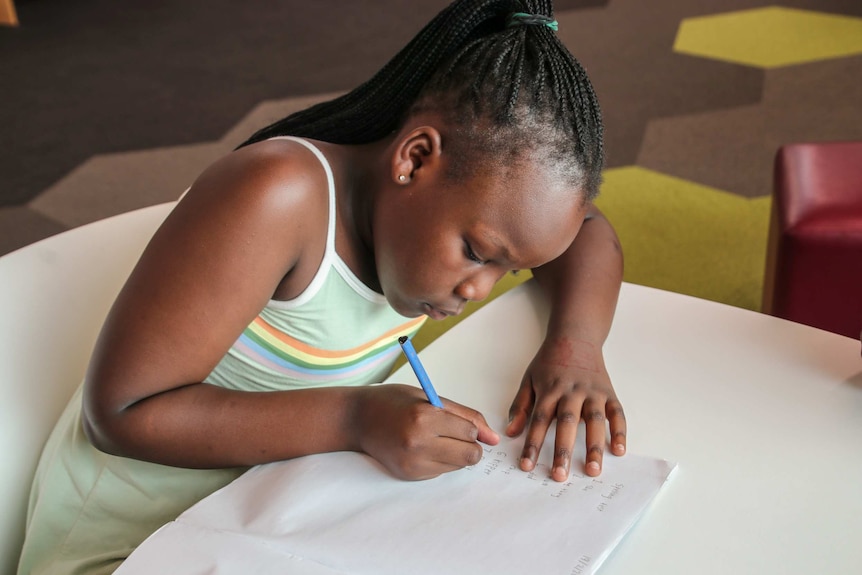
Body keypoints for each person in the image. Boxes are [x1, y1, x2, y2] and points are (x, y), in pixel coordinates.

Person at [18, 0, 626, 573]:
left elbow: (587, 230)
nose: (479, 289)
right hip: (127, 540)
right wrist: (355, 419)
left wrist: (575, 348)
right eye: (475, 254)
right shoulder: (278, 198)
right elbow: (122, 415)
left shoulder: (433, 226)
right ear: (414, 158)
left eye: (509, 270)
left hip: (265, 513)